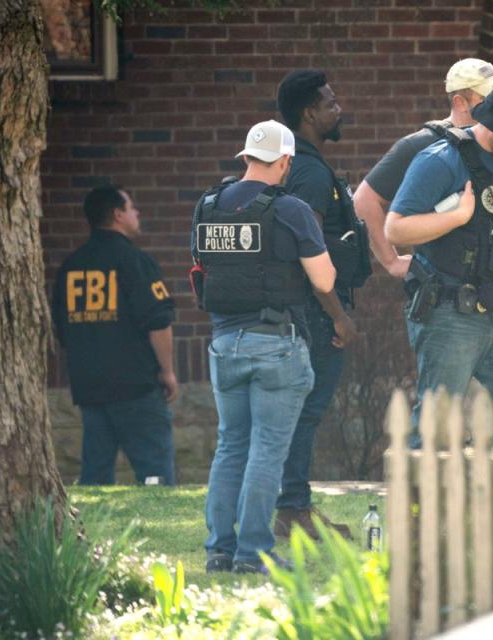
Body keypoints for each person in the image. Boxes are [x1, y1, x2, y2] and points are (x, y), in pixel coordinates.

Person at [194, 119, 337, 574]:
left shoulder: (209, 204)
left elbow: (201, 268)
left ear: (246, 158)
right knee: (267, 450)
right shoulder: (290, 208)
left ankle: (220, 547)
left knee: (230, 445)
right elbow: (324, 280)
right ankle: (253, 553)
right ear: (286, 162)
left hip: (223, 343)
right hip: (276, 343)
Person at [385, 83, 493, 431]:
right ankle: (420, 487)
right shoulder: (441, 161)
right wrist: (457, 217)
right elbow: (395, 229)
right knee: (437, 428)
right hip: (451, 312)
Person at [355, 57, 493, 294]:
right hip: (451, 293)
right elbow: (364, 200)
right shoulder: (424, 145)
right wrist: (392, 262)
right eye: (487, 98)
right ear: (460, 102)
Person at [275, 69, 364, 540]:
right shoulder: (309, 172)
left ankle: (292, 505)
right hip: (316, 314)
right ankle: (291, 510)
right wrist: (337, 314)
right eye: (330, 103)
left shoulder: (303, 165)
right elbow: (308, 247)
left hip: (309, 310)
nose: (338, 109)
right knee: (305, 412)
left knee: (299, 411)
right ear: (310, 114)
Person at [52, 185, 177, 486]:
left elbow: (60, 326)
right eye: (132, 208)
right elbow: (158, 322)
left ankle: (91, 525)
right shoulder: (135, 261)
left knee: (95, 474)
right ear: (118, 214)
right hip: (136, 385)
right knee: (154, 471)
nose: (137, 213)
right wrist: (168, 371)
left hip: (90, 386)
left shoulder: (70, 267)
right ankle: (158, 521)